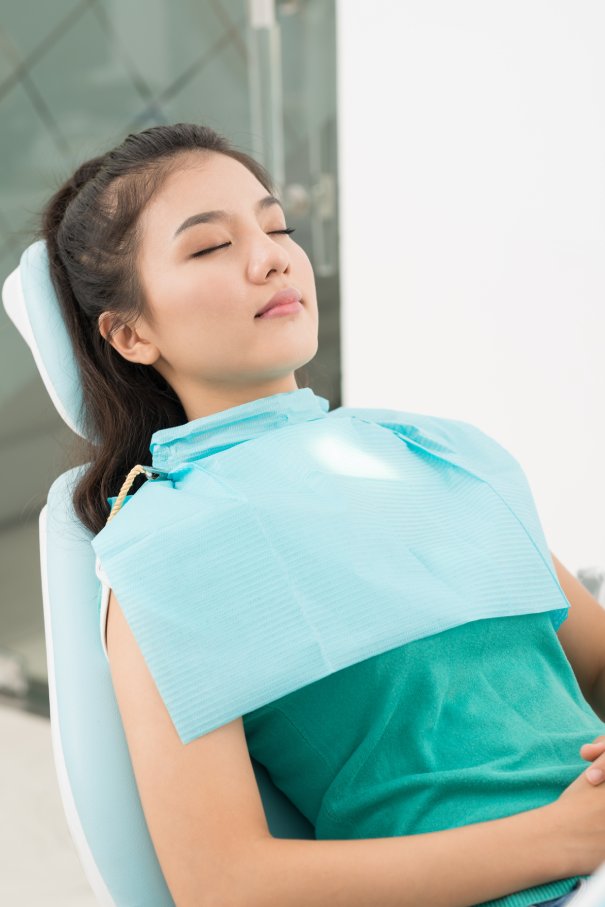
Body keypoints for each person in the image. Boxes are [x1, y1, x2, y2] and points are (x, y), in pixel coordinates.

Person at [37, 122, 605, 907]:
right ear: (130, 333)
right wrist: (563, 835)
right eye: (208, 247)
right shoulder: (168, 546)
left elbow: (592, 658)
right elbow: (224, 882)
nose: (271, 256)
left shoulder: (431, 450)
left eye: (278, 228)